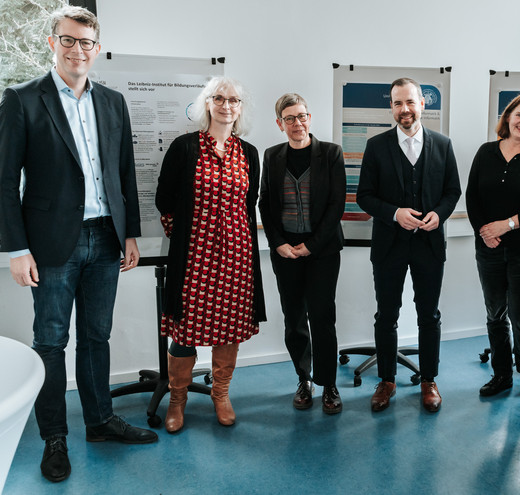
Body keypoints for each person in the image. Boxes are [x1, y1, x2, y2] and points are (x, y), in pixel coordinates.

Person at [0, 5, 157, 483]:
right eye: (69, 40)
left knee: (96, 336)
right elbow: (4, 182)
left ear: (96, 47)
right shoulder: (22, 99)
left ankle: (99, 421)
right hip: (51, 246)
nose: (78, 50)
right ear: (53, 42)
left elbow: (124, 171)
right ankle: (54, 437)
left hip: (106, 239)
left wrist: (130, 232)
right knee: (50, 340)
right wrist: (15, 249)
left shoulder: (112, 101)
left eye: (86, 42)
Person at [155, 76, 266, 433]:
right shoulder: (185, 147)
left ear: (240, 108)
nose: (226, 105)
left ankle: (221, 394)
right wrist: (187, 236)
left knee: (229, 327)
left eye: (234, 100)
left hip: (237, 254)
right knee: (185, 328)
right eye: (219, 98)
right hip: (194, 255)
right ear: (207, 103)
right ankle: (177, 400)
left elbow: (249, 204)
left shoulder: (247, 153)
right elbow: (165, 199)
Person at [356, 77, 461, 413]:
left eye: (410, 102)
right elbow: (364, 196)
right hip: (389, 246)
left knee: (428, 315)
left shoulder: (443, 145)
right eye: (398, 103)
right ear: (391, 106)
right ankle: (386, 380)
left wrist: (439, 216)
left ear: (422, 104)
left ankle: (429, 379)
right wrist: (394, 213)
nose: (405, 109)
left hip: (430, 245)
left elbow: (452, 192)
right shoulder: (376, 145)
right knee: (386, 316)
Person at [258, 93, 345, 414]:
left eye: (303, 116)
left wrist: (311, 245)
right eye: (291, 118)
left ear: (310, 118)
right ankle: (304, 379)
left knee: (323, 318)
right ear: (280, 123)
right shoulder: (273, 156)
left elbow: (337, 204)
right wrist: (278, 242)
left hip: (322, 251)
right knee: (294, 319)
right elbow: (265, 202)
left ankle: (329, 384)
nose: (298, 123)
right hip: (285, 252)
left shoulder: (331, 153)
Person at [466, 93, 520, 400]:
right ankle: (501, 374)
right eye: (519, 115)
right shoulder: (486, 152)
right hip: (488, 247)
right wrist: (485, 232)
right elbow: (472, 197)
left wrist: (508, 224)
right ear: (508, 118)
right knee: (495, 313)